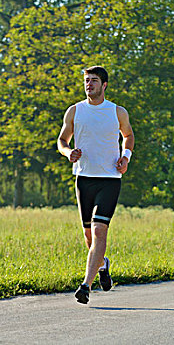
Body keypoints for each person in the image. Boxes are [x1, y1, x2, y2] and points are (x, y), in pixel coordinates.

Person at [57, 66, 135, 304]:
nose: (89, 84)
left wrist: (126, 158)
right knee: (89, 236)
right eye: (86, 81)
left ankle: (85, 286)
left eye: (93, 81)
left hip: (110, 179)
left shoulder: (117, 112)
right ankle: (102, 265)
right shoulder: (75, 111)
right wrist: (68, 152)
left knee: (100, 230)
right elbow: (62, 140)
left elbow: (129, 136)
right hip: (84, 179)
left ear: (104, 85)